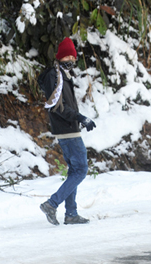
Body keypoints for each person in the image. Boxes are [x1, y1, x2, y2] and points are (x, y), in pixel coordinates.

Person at [37, 37, 96, 225]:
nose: (70, 59)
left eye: (73, 55)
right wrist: (80, 118)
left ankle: (71, 214)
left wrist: (79, 119)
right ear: (59, 57)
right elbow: (57, 106)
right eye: (66, 55)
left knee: (74, 171)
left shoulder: (63, 75)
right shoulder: (54, 76)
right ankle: (52, 203)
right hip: (67, 130)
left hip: (68, 128)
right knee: (81, 170)